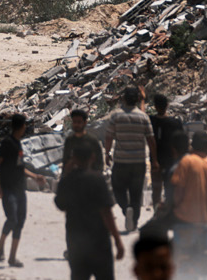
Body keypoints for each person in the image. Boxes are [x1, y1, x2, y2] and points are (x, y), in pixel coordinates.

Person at [54, 143, 126, 280]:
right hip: (99, 241)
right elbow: (107, 212)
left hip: (76, 242)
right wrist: (117, 240)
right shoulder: (97, 179)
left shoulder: (68, 180)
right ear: (92, 157)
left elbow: (60, 205)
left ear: (73, 158)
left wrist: (66, 174)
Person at [0, 114, 45, 269]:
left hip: (20, 188)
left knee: (20, 222)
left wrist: (35, 176)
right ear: (22, 126)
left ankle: (12, 257)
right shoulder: (8, 143)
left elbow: (20, 167)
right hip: (8, 188)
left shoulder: (18, 144)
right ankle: (0, 245)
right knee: (12, 219)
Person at [105, 87, 158, 232]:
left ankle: (125, 208)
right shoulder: (143, 117)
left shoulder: (116, 116)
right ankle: (133, 222)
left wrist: (107, 153)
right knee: (136, 193)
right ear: (137, 100)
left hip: (121, 161)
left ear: (123, 99)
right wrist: (154, 160)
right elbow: (151, 140)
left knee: (118, 189)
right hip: (138, 162)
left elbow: (109, 137)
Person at [168, 130, 207, 263]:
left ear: (192, 145)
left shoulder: (186, 162)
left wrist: (171, 208)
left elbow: (178, 194)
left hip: (186, 218)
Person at [148, 94, 187, 207]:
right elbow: (182, 141)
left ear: (155, 106)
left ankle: (157, 212)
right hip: (171, 160)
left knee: (156, 190)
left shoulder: (151, 121)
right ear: (167, 105)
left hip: (155, 160)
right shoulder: (175, 123)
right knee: (170, 188)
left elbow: (142, 115)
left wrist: (141, 100)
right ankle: (170, 210)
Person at [63, 108, 104, 176]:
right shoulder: (69, 141)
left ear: (85, 123)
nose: (76, 125)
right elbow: (65, 161)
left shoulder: (92, 140)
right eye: (74, 122)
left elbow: (99, 162)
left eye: (79, 122)